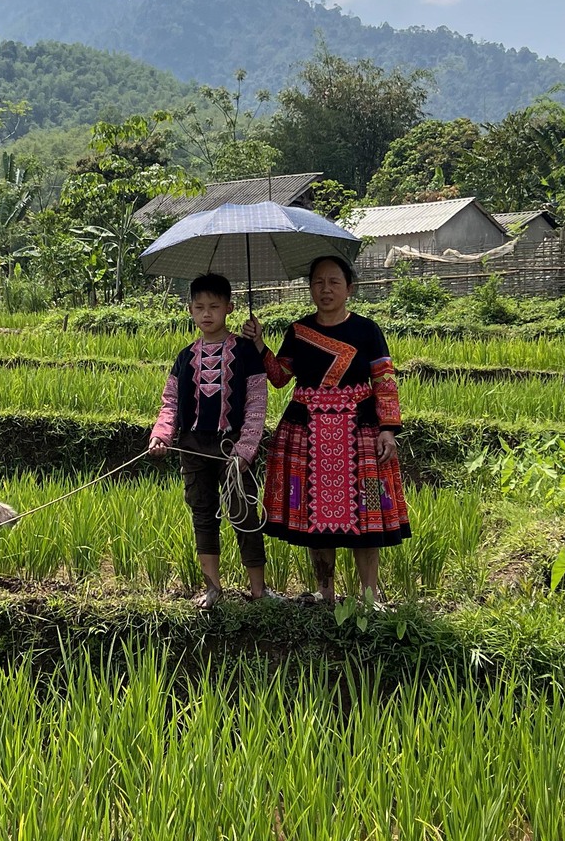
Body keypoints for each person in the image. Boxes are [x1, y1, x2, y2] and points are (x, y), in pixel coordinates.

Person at [241, 254, 408, 606]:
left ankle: (369, 595)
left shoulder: (367, 330)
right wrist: (258, 344)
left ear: (350, 288)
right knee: (313, 520)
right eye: (318, 282)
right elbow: (280, 377)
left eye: (334, 282)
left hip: (361, 434)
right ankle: (326, 594)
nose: (325, 289)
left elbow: (384, 380)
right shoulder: (298, 331)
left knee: (369, 518)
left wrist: (388, 429)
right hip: (307, 435)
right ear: (310, 288)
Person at [148, 272, 271, 608]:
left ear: (229, 308)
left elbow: (257, 403)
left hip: (233, 449)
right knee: (203, 513)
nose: (206, 313)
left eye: (214, 306)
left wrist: (246, 448)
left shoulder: (246, 352)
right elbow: (170, 403)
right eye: (199, 307)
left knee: (243, 513)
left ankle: (258, 590)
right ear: (190, 310)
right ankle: (213, 588)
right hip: (192, 446)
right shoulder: (185, 357)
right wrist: (161, 435)